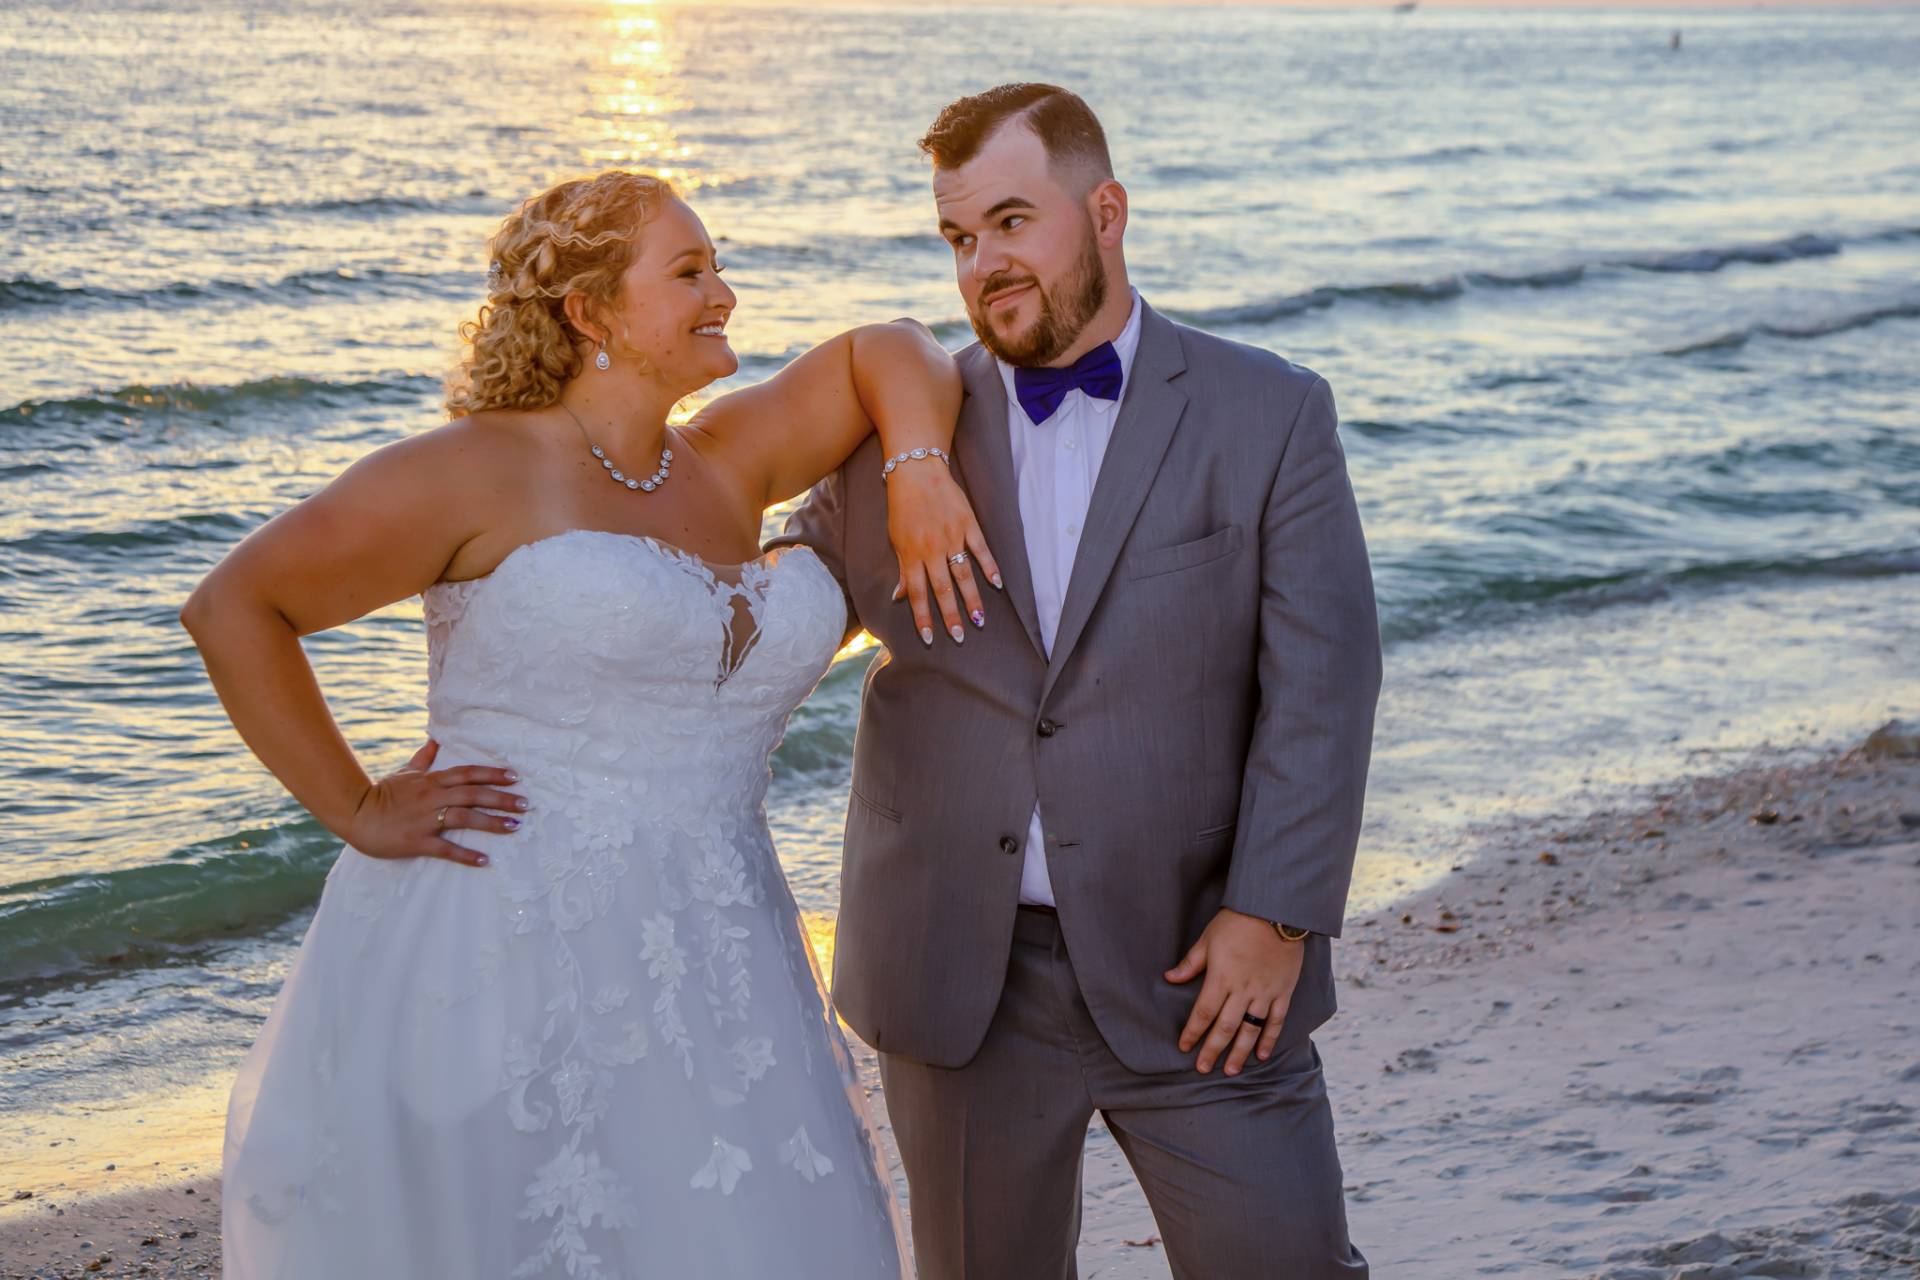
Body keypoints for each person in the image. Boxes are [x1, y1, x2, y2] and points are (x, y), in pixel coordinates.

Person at [181, 169, 996, 1278]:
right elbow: (236, 606)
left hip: (727, 961)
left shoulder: (722, 459)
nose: (727, 293)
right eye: (691, 271)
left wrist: (917, 468)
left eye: (718, 265)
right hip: (505, 951)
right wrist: (360, 804)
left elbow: (892, 346)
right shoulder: (475, 468)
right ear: (591, 311)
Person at [772, 84, 1381, 1278]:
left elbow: (1326, 682)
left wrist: (1275, 914)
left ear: (1105, 212)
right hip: (960, 981)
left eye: (1012, 221)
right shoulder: (902, 445)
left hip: (1202, 964)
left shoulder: (1272, 413)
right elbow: (755, 605)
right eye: (957, 238)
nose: (983, 264)